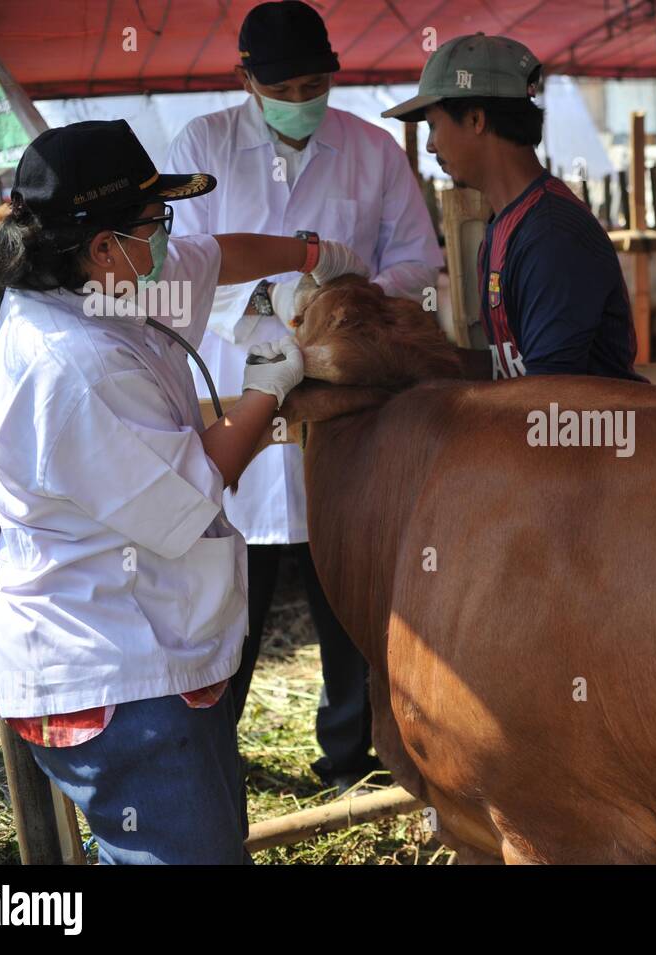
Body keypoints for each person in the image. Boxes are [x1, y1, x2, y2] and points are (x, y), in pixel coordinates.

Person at [0, 119, 366, 863]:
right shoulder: (72, 366)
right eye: (154, 221)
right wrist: (266, 386)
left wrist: (316, 254)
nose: (166, 237)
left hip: (155, 646)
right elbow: (195, 488)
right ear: (102, 246)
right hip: (115, 670)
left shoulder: (104, 280)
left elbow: (215, 256)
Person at [165, 1, 444, 791]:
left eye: (316, 82)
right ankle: (211, 765)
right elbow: (181, 274)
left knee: (349, 596)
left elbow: (418, 263)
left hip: (344, 408)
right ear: (244, 79)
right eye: (283, 85)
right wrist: (273, 322)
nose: (302, 97)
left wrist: (337, 314)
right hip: (238, 403)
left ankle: (350, 760)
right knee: (228, 604)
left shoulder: (373, 150)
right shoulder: (202, 146)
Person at [383, 32, 645, 383]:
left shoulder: (551, 235)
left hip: (590, 434)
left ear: (476, 120)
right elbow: (511, 368)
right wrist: (413, 358)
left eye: (433, 125)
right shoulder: (508, 222)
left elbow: (549, 398)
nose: (430, 145)